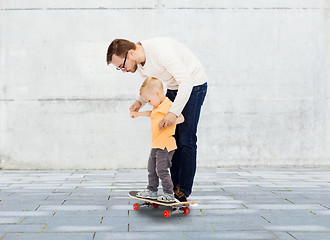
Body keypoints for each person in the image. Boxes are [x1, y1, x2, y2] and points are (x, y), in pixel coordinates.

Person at [107, 37, 207, 201]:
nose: (123, 71)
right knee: (170, 138)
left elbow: (187, 82)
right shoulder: (139, 62)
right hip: (175, 87)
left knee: (186, 138)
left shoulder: (160, 52)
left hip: (193, 85)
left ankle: (182, 191)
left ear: (131, 53)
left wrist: (173, 113)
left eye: (122, 66)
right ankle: (171, 190)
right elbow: (152, 84)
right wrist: (140, 102)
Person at [130, 77, 184, 202]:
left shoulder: (168, 105)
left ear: (158, 93)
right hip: (156, 144)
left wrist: (170, 120)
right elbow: (151, 113)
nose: (148, 103)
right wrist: (138, 114)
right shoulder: (157, 106)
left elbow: (181, 118)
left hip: (165, 146)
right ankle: (152, 190)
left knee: (161, 170)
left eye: (149, 100)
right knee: (151, 168)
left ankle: (169, 193)